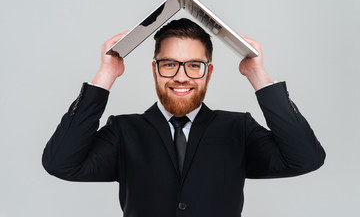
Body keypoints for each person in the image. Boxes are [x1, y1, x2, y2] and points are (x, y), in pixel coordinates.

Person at [42, 18, 325, 217]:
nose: (181, 76)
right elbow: (60, 163)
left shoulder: (238, 128)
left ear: (209, 73)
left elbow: (306, 157)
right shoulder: (124, 131)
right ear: (155, 70)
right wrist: (105, 74)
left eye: (194, 65)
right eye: (169, 64)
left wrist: (257, 74)